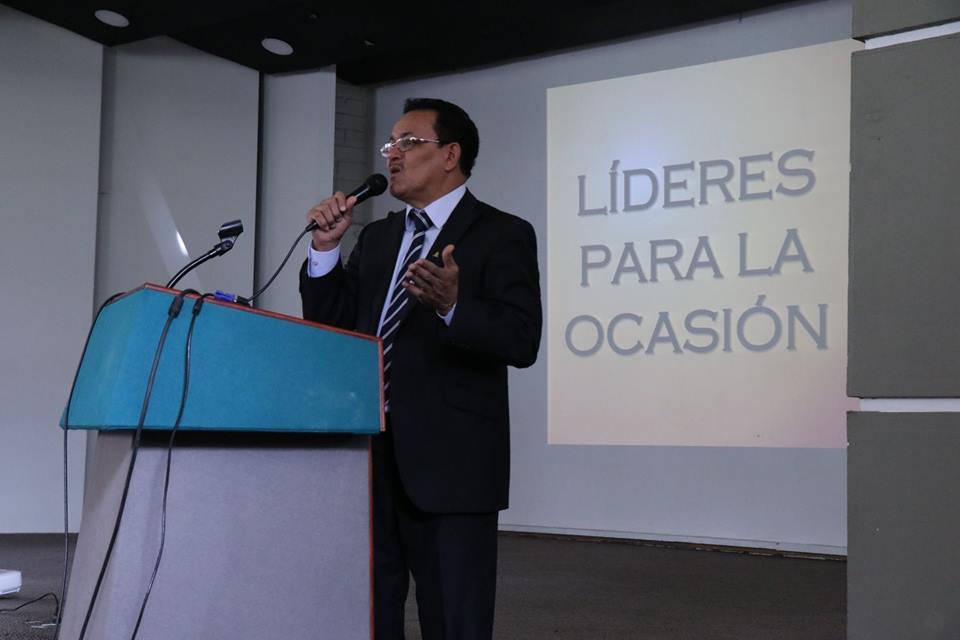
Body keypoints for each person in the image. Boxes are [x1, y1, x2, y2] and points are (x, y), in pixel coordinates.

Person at [299, 98, 542, 639]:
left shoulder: (502, 233)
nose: (393, 154)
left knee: (455, 621)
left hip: (452, 466)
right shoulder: (378, 237)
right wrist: (325, 250)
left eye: (408, 142)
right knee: (369, 616)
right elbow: (336, 327)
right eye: (390, 143)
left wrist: (455, 305)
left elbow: (522, 338)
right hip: (369, 457)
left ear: (451, 154)